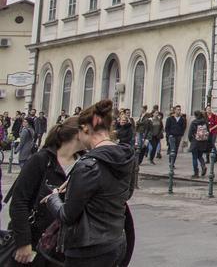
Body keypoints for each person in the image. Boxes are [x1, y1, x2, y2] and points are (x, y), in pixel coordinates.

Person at [43, 99, 136, 267]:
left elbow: (67, 215)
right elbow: (126, 193)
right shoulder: (127, 157)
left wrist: (53, 198)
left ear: (85, 128)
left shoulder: (87, 165)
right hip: (116, 241)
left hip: (88, 249)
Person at [7, 116, 85, 265]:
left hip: (64, 248)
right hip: (34, 244)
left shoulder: (85, 165)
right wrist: (23, 242)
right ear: (78, 134)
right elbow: (19, 202)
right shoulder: (41, 160)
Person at [187, 110, 211, 177]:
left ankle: (196, 173)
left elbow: (189, 134)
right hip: (203, 142)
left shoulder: (194, 122)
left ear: (195, 115)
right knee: (200, 156)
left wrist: (191, 140)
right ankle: (203, 166)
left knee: (194, 157)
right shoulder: (205, 122)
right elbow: (208, 131)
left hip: (195, 141)